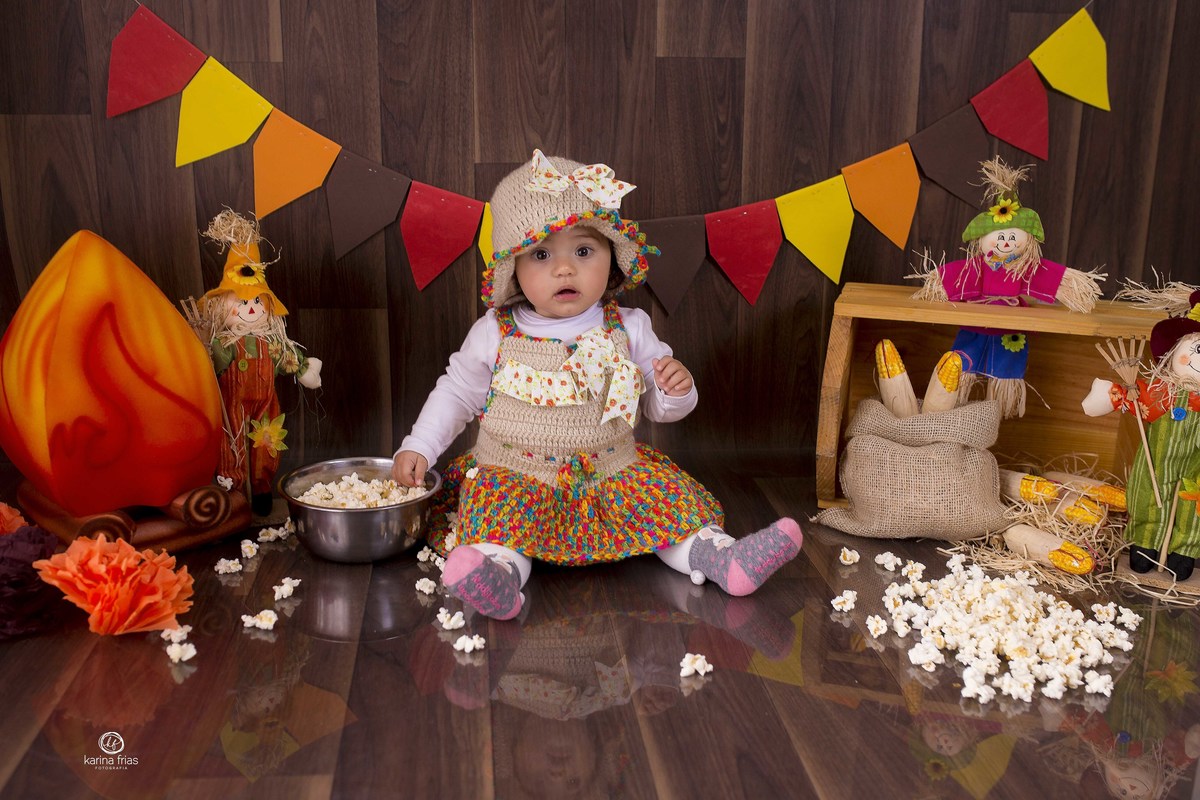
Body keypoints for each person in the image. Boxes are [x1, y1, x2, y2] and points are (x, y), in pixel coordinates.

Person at [393, 149, 802, 619]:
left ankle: (720, 557)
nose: (564, 269)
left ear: (610, 256)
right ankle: (498, 575)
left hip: (612, 472)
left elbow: (659, 409)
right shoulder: (494, 332)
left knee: (670, 513)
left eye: (583, 251)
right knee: (499, 527)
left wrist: (674, 389)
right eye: (542, 254)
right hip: (516, 475)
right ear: (513, 267)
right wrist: (420, 445)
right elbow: (456, 394)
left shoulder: (628, 327)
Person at [912, 157, 1103, 418]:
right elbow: (958, 274)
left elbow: (1049, 276)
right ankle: (955, 397)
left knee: (1007, 361)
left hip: (1010, 327)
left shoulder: (1024, 266)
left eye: (1012, 238)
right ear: (985, 240)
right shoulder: (978, 265)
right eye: (1000, 237)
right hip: (975, 321)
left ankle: (998, 406)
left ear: (1025, 241)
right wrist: (938, 283)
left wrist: (1072, 288)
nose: (1005, 243)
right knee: (963, 359)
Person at [191, 210, 323, 516]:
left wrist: (304, 369)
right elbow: (211, 364)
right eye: (242, 303)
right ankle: (235, 492)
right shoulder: (225, 344)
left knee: (267, 441)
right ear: (223, 307)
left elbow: (289, 358)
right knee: (232, 441)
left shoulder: (272, 341)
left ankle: (262, 488)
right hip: (232, 401)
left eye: (255, 302)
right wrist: (205, 358)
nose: (250, 309)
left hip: (266, 401)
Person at [1082, 286, 1200, 581]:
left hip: (1195, 470)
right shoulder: (1161, 390)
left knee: (1192, 505)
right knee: (1149, 493)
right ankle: (1145, 544)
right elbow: (1135, 399)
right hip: (1156, 463)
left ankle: (1183, 552)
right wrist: (1117, 395)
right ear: (1176, 352)